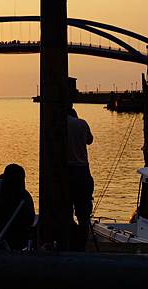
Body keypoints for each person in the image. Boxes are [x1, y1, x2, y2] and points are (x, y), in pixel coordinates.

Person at [67, 107, 94, 251]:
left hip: (66, 171)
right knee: (84, 213)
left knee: (66, 210)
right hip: (83, 171)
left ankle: (69, 241)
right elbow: (90, 140)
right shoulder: (82, 123)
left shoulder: (59, 124)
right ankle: (81, 246)